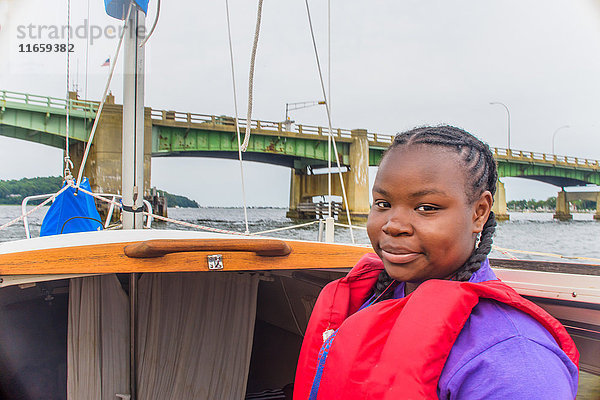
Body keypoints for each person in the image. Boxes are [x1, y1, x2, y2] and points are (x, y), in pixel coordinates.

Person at [294, 126, 579, 399]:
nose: (393, 225)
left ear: (479, 213)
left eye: (426, 208)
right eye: (383, 204)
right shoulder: (380, 293)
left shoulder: (515, 361)